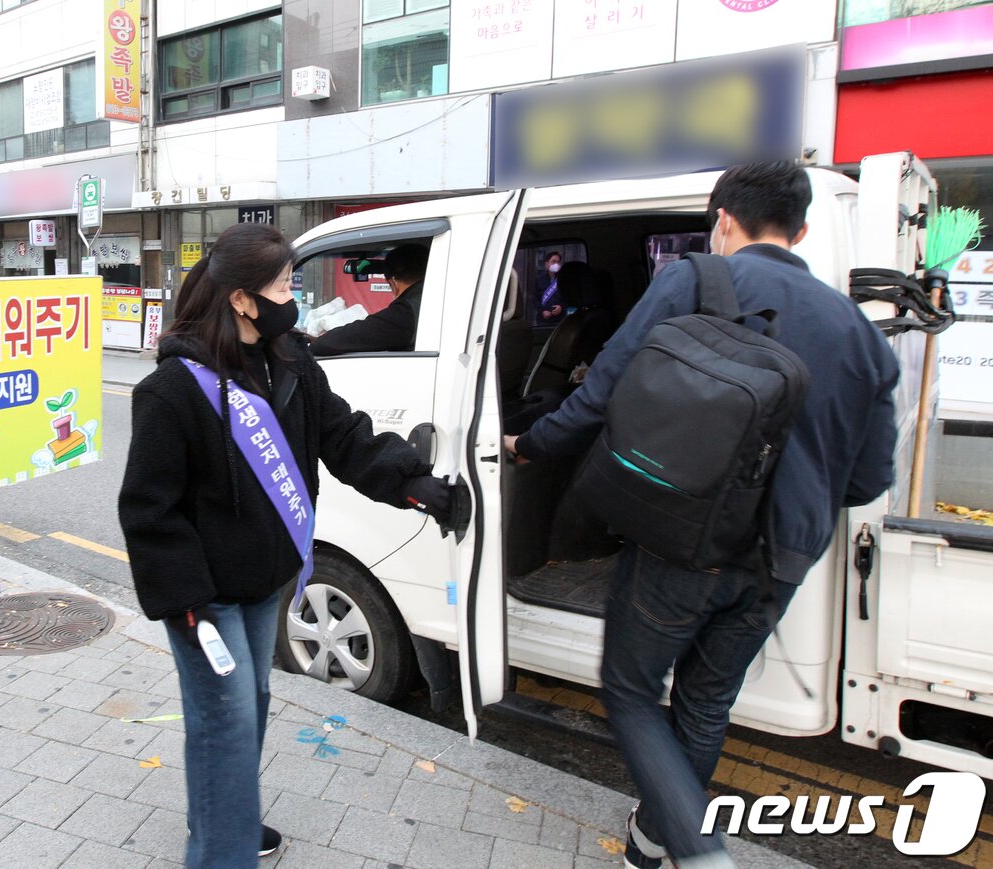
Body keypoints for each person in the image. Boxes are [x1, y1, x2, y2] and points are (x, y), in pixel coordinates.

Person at [503, 162, 898, 868]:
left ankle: (698, 849)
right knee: (707, 700)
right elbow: (867, 479)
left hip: (684, 546)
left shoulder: (693, 282)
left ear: (721, 220)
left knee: (628, 688)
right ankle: (652, 841)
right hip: (784, 559)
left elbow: (602, 397)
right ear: (800, 231)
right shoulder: (864, 336)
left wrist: (530, 445)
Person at [119, 223, 452, 868]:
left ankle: (224, 818)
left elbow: (345, 436)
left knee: (249, 708)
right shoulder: (171, 390)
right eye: (281, 284)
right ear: (243, 299)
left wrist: (413, 482)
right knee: (227, 720)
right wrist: (183, 600)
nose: (291, 294)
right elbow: (147, 509)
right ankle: (223, 852)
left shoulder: (291, 361)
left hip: (268, 578)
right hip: (204, 599)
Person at [312, 243, 428, 356]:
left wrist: (316, 342)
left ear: (393, 283)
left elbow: (348, 338)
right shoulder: (428, 301)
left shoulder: (407, 312)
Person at [535, 250, 564, 323]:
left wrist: (561, 307)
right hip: (542, 320)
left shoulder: (564, 280)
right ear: (547, 264)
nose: (556, 264)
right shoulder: (539, 280)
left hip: (559, 320)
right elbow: (535, 300)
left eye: (558, 262)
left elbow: (568, 297)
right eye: (553, 262)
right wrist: (542, 311)